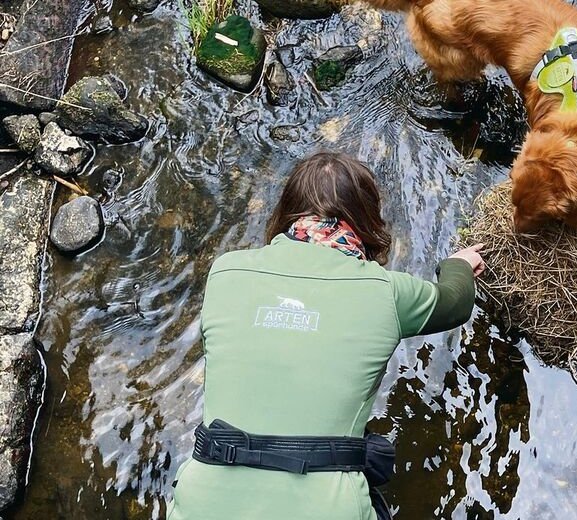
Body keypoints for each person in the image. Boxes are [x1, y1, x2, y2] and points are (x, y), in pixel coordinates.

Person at [167, 152, 486, 519]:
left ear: (286, 212)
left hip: (203, 504)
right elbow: (456, 302)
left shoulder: (225, 272)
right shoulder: (385, 290)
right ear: (367, 220)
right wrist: (458, 264)